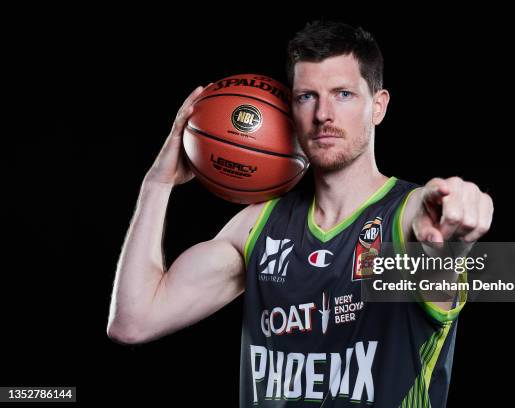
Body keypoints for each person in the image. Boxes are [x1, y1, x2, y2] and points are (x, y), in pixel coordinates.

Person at [107, 20, 493, 407]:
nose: (323, 114)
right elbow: (133, 321)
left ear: (378, 106)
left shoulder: (407, 217)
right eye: (307, 96)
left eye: (342, 94)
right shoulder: (258, 226)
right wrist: (157, 185)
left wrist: (457, 216)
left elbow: (435, 228)